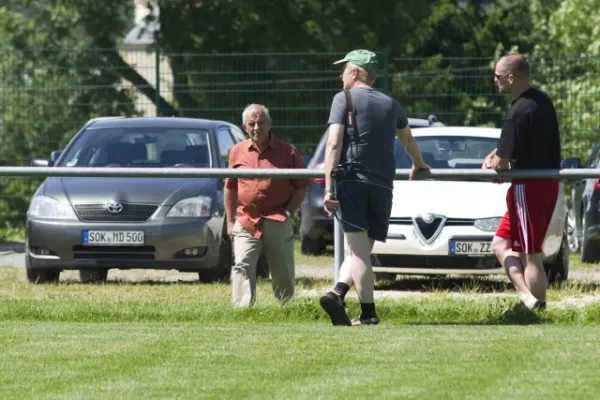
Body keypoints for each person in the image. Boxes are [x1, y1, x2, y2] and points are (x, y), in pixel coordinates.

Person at [320, 49, 430, 326]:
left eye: (344, 69)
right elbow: (408, 141)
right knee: (361, 251)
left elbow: (334, 144)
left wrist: (328, 189)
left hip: (352, 182)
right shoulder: (391, 104)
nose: (340, 75)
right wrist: (419, 164)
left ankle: (368, 313)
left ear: (355, 72)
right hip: (382, 186)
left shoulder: (342, 99)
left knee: (357, 252)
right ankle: (338, 292)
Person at [483, 53, 561, 311]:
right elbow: (517, 145)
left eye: (497, 76)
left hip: (528, 188)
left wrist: (493, 163)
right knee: (500, 244)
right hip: (545, 184)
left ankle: (535, 307)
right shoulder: (542, 101)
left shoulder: (518, 111)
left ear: (511, 77)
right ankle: (527, 297)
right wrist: (497, 154)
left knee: (531, 253)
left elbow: (502, 161)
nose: (495, 81)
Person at [224, 104, 310, 307]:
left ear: (270, 124)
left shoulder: (288, 151)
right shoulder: (236, 152)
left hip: (277, 218)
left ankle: (285, 308)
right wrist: (230, 222)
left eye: (261, 123)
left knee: (282, 269)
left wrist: (288, 211)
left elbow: (302, 186)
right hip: (246, 219)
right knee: (242, 264)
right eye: (251, 124)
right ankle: (242, 310)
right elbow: (230, 188)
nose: (256, 128)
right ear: (244, 126)